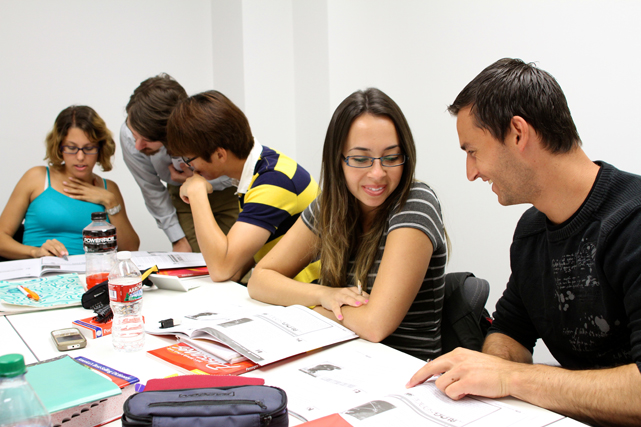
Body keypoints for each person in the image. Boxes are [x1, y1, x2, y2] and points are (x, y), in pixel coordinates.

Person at [407, 58, 641, 426]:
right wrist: (489, 367)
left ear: (518, 133)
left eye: (473, 151)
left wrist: (511, 378)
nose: (471, 173)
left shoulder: (633, 224)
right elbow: (510, 330)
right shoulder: (532, 232)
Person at [247, 88, 448, 361]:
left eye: (391, 158)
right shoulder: (330, 206)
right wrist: (324, 294)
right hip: (341, 357)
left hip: (403, 368)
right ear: (338, 160)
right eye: (361, 159)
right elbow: (260, 280)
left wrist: (305, 308)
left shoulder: (415, 202)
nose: (377, 173)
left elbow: (374, 325)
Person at [165, 90, 319, 283]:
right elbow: (232, 267)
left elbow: (221, 269)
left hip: (311, 293)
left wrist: (197, 192)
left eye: (189, 159)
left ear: (220, 155)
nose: (188, 167)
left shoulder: (274, 181)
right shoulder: (260, 168)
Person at [0, 106, 139, 259]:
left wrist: (110, 201)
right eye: (72, 148)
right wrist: (35, 252)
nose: (80, 157)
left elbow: (131, 249)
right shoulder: (36, 178)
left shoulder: (109, 189)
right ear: (59, 147)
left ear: (100, 148)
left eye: (89, 148)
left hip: (94, 271)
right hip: (42, 269)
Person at [121, 74, 239, 252]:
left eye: (147, 139)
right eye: (135, 135)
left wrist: (199, 178)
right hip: (183, 198)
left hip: (228, 191)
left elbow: (237, 172)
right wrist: (177, 238)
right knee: (195, 262)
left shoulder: (208, 126)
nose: (138, 146)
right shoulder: (129, 135)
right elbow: (151, 189)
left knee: (236, 259)